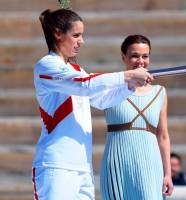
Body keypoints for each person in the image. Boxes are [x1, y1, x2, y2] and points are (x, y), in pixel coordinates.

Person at [32, 9, 153, 200]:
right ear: (57, 33)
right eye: (76, 35)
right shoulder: (46, 66)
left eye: (82, 35)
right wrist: (127, 75)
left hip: (83, 167)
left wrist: (129, 86)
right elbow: (85, 85)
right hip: (56, 166)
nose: (82, 41)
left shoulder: (76, 70)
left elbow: (102, 99)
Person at [100, 34, 173, 199]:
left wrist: (167, 174)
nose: (140, 61)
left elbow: (163, 136)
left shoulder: (159, 92)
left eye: (145, 56)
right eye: (134, 56)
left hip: (149, 163)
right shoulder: (111, 88)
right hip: (117, 163)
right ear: (123, 57)